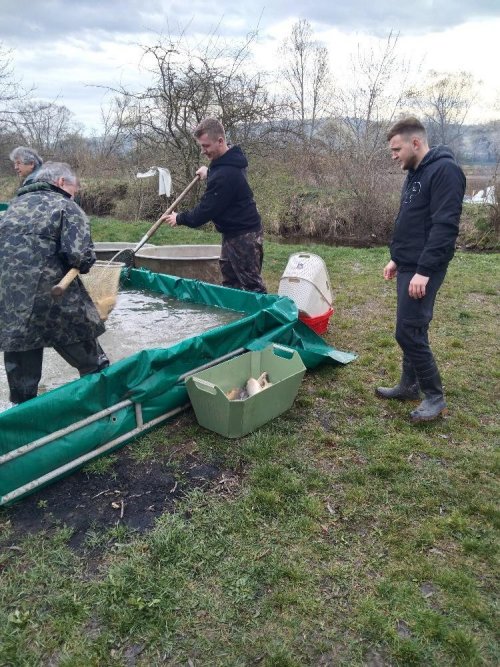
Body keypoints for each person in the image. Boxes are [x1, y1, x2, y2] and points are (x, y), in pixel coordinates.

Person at [376, 117, 466, 422]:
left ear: (416, 143)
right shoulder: (415, 172)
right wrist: (397, 258)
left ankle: (434, 397)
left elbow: (444, 227)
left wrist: (424, 271)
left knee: (408, 331)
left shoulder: (445, 171)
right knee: (413, 326)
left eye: (396, 148)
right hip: (410, 264)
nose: (393, 155)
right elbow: (411, 221)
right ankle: (408, 385)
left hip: (425, 267)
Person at [0, 161, 109, 405]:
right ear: (61, 182)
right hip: (56, 300)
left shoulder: (12, 208)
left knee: (22, 388)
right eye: (75, 189)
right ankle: (104, 414)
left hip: (11, 305)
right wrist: (88, 259)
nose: (75, 195)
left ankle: (24, 433)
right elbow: (80, 256)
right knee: (94, 365)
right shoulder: (65, 207)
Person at [161, 117, 267, 293]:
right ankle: (236, 317)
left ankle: (266, 319)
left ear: (220, 141)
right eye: (201, 146)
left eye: (206, 146)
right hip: (232, 233)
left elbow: (204, 212)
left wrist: (179, 218)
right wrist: (209, 172)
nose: (203, 151)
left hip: (244, 236)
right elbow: (223, 178)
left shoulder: (224, 174)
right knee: (230, 285)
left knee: (252, 287)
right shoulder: (232, 159)